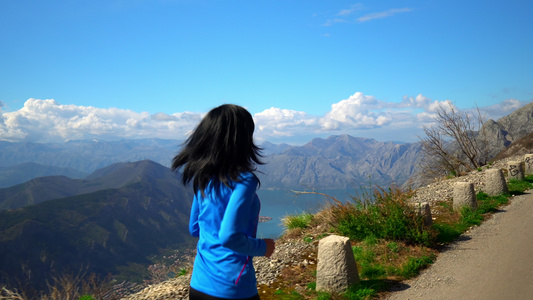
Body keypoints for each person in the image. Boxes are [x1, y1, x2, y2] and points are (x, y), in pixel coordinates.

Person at [172, 104, 276, 300]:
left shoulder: (204, 176)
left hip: (199, 284)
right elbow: (228, 236)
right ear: (242, 139)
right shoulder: (244, 180)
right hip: (233, 287)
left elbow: (195, 228)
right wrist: (264, 247)